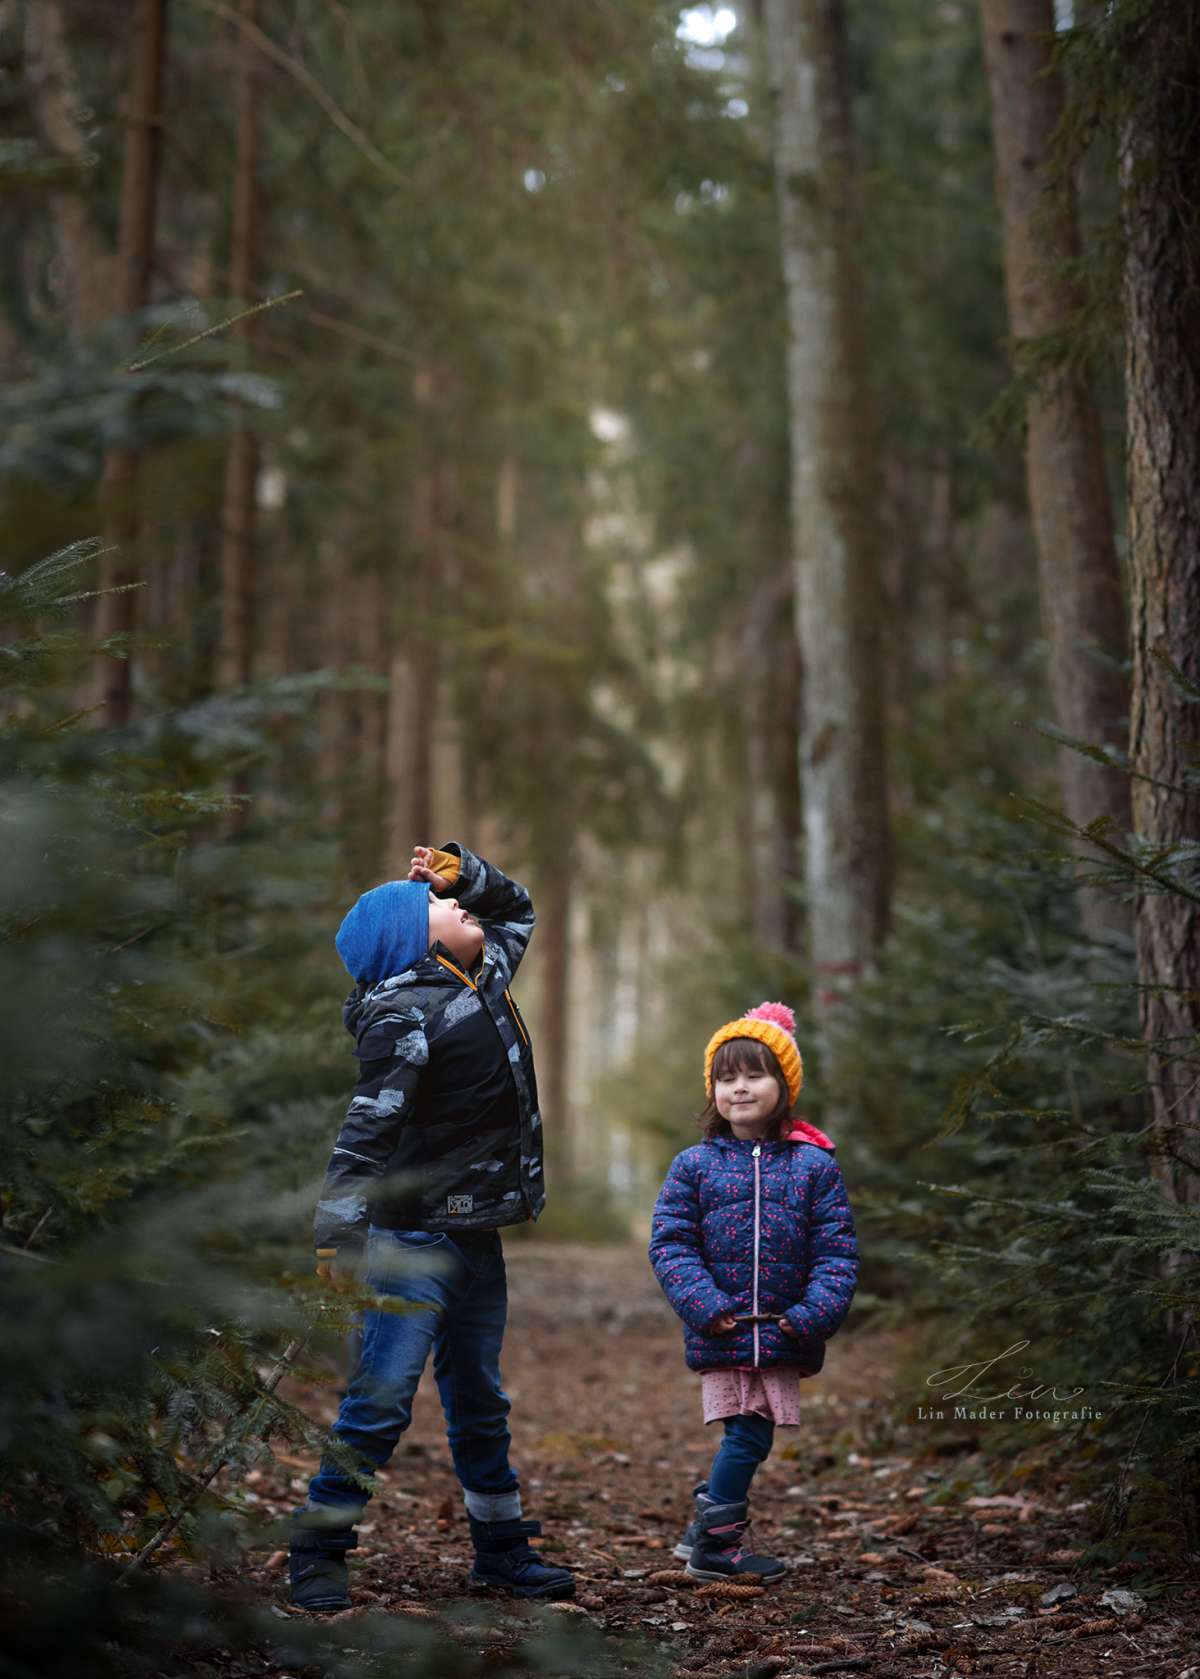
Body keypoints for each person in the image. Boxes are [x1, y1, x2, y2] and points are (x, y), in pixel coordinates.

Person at [288, 842, 575, 1611]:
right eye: (442, 907)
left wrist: (462, 872)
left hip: (476, 1234)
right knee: (381, 1399)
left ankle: (502, 1551)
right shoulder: (400, 1015)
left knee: (480, 1395)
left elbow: (519, 908)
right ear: (413, 942)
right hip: (412, 1241)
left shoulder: (483, 975)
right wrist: (336, 1234)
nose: (460, 909)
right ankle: (318, 1546)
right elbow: (364, 1133)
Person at [647, 1001, 859, 1583]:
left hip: (785, 1330)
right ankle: (716, 1546)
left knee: (748, 1438)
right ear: (713, 1089)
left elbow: (836, 1253)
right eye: (726, 1077)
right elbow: (670, 1245)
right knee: (747, 1435)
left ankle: (703, 1530)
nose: (739, 1089)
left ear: (784, 1085)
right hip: (725, 1327)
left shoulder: (815, 1168)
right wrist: (706, 1306)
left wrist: (809, 1316)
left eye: (755, 1074)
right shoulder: (694, 1166)